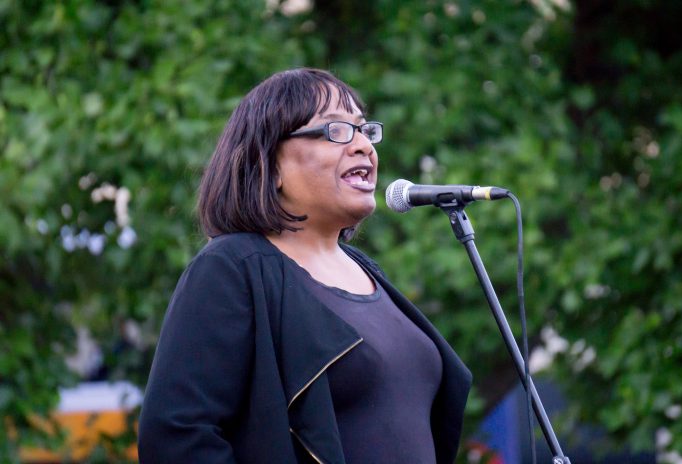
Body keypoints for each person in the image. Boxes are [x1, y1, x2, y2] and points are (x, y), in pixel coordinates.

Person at [138, 68, 472, 464]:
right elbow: (177, 437)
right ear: (269, 165)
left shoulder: (368, 272)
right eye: (336, 130)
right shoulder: (233, 268)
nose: (363, 146)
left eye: (364, 130)